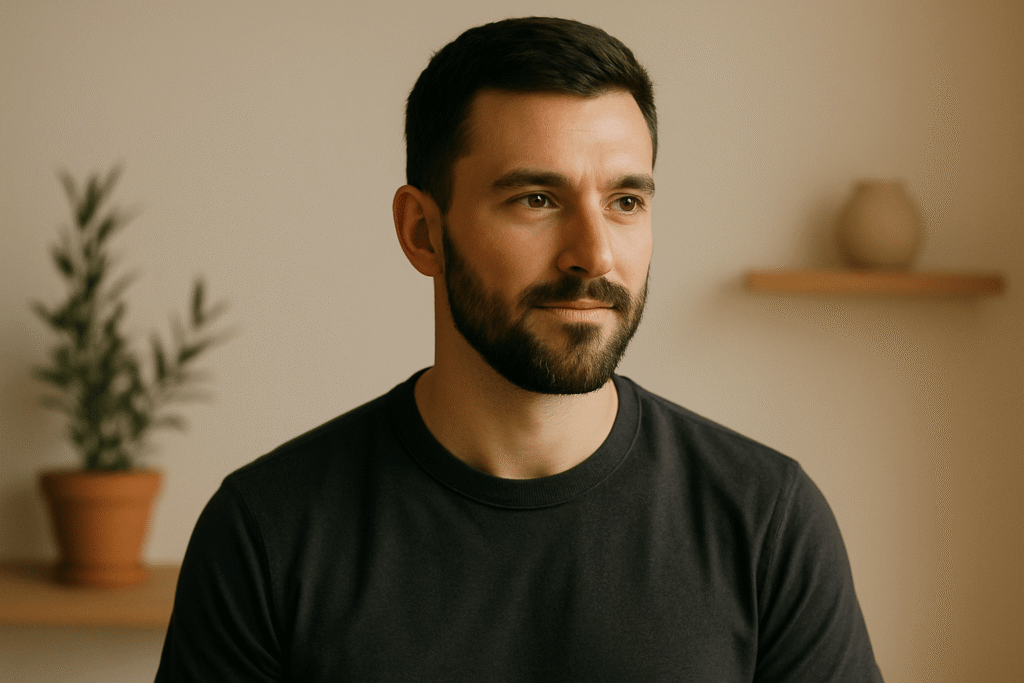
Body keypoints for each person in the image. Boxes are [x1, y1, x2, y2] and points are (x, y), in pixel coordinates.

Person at [155, 17, 883, 682]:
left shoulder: (765, 522)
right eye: (537, 199)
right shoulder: (268, 532)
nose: (593, 253)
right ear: (422, 232)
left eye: (626, 202)